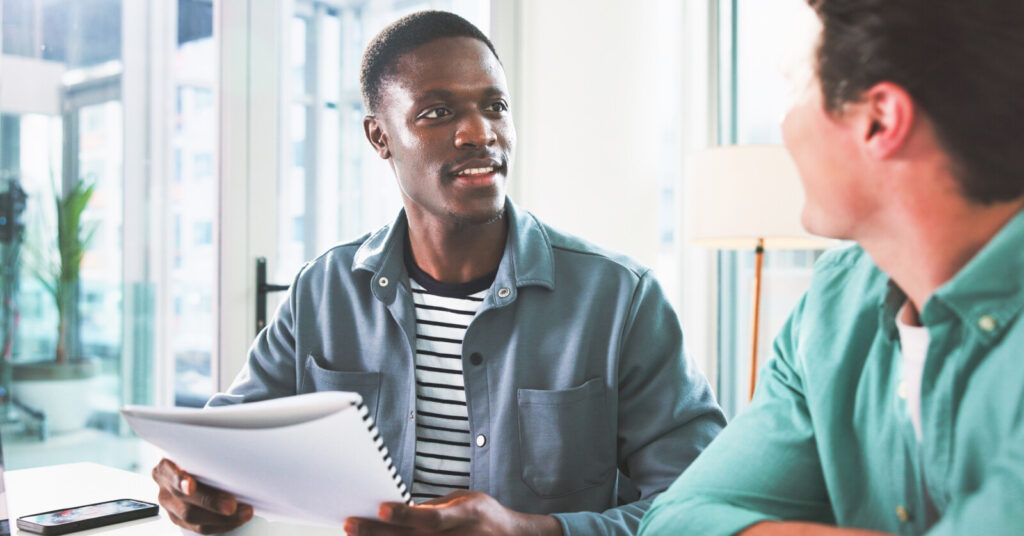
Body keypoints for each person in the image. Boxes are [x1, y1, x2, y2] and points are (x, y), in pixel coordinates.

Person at [152, 11, 725, 536]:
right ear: (380, 137)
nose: (480, 133)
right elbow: (224, 446)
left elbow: (703, 504)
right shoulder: (322, 292)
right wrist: (194, 488)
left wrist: (529, 532)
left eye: (495, 106)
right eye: (437, 112)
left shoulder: (621, 300)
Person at [639, 0, 1024, 535]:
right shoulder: (834, 305)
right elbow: (673, 523)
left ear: (880, 120)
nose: (785, 125)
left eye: (798, 88)